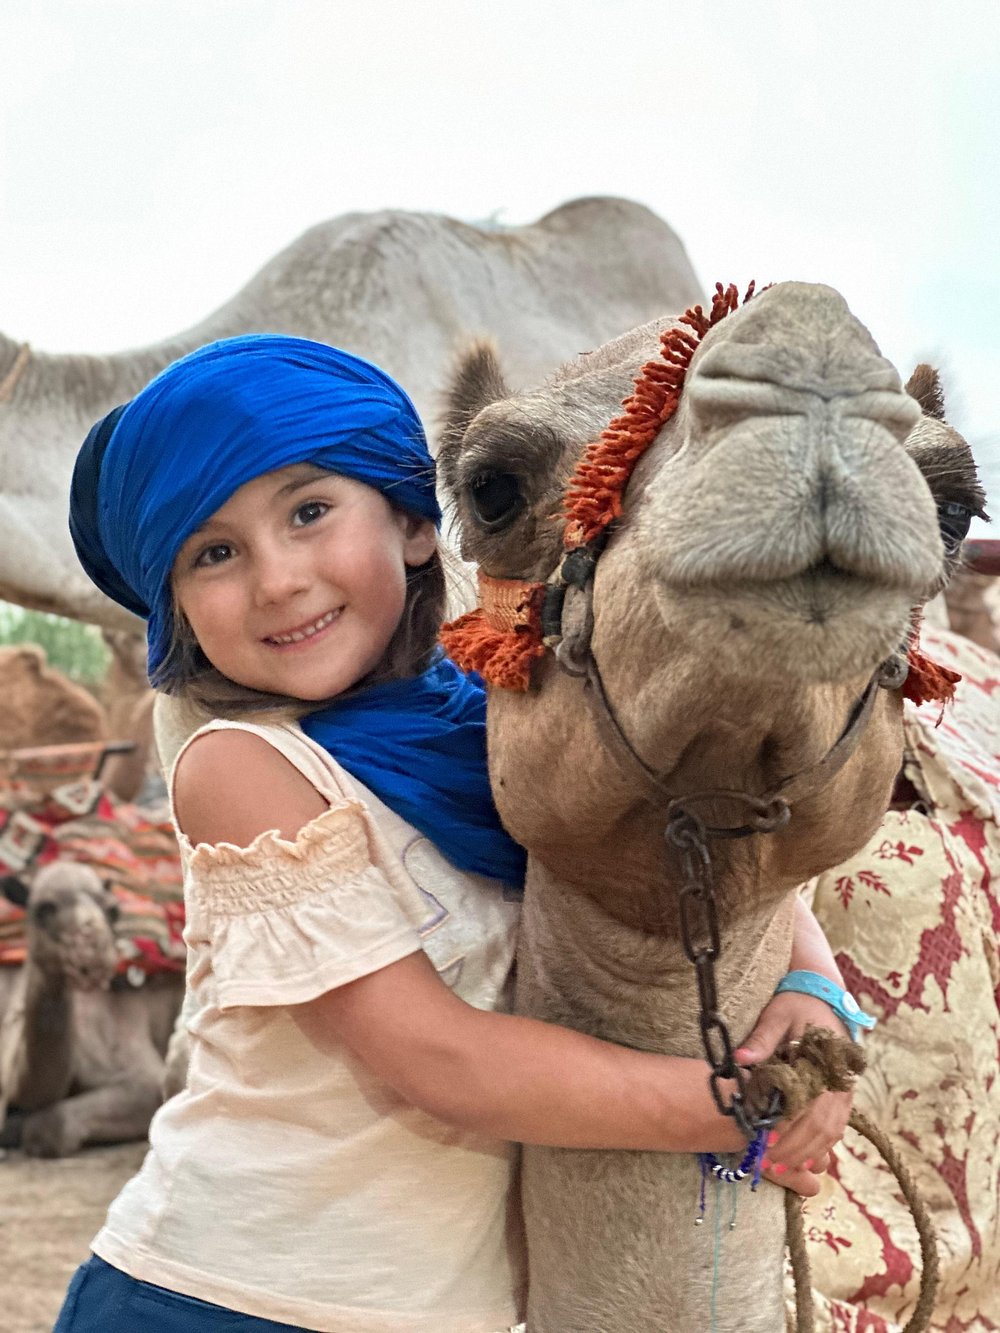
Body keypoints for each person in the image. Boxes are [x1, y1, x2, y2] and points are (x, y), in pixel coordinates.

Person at [55, 335, 862, 1332]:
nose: (277, 579)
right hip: (220, 1300)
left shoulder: (509, 726)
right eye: (214, 553)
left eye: (309, 513)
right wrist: (745, 1109)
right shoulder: (244, 768)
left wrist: (812, 988)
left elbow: (712, 856)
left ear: (408, 523)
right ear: (176, 607)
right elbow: (438, 1059)